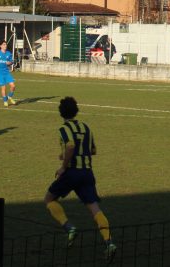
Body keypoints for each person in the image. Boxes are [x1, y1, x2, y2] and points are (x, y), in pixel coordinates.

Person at [43, 96, 117, 261]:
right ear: (76, 111)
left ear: (61, 113)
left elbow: (70, 146)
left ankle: (69, 228)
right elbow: (93, 150)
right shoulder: (86, 127)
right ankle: (109, 242)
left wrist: (63, 165)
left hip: (72, 173)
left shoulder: (63, 129)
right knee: (94, 209)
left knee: (49, 199)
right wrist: (67, 154)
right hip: (87, 173)